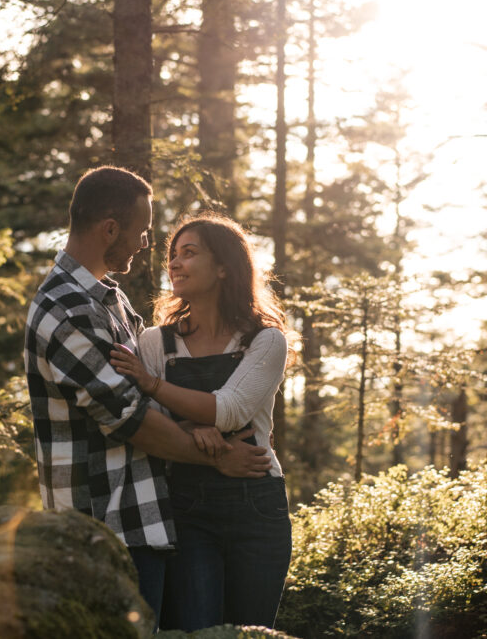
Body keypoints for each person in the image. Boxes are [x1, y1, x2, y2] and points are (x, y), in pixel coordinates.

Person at [23, 167, 271, 626]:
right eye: (142, 231)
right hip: (102, 527)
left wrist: (197, 427)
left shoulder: (108, 300)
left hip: (141, 520)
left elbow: (150, 395)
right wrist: (219, 458)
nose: (145, 244)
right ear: (110, 229)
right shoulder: (65, 309)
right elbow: (131, 418)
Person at [110, 212, 296, 631]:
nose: (174, 263)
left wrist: (153, 385)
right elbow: (153, 424)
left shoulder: (265, 340)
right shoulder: (156, 342)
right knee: (197, 630)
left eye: (188, 253)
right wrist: (198, 433)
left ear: (225, 266)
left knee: (251, 633)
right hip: (186, 509)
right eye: (172, 255)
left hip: (258, 508)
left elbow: (229, 410)